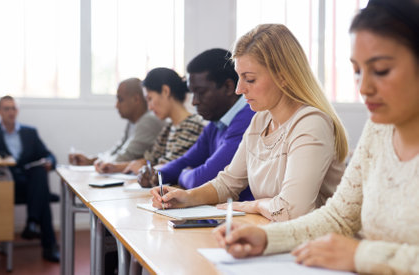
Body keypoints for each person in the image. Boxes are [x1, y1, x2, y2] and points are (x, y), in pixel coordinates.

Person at [213, 0, 419, 273]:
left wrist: (362, 255)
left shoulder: (312, 122)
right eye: (357, 71)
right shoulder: (378, 129)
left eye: (380, 70)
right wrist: (267, 238)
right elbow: (338, 217)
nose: (364, 87)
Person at [151, 25, 348, 221]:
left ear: (283, 77)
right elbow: (228, 183)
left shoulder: (311, 123)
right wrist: (186, 198)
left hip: (314, 244)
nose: (239, 89)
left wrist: (252, 205)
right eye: (239, 78)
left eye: (250, 79)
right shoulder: (260, 120)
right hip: (274, 234)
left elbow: (290, 211)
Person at [139, 48, 255, 201]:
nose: (194, 101)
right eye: (193, 93)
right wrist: (156, 173)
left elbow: (203, 178)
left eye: (200, 92)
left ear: (228, 87)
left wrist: (183, 174)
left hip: (245, 217)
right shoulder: (216, 122)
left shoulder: (248, 119)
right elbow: (186, 161)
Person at [0, 96, 60, 262]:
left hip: (29, 183)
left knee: (40, 174)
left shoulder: (30, 132)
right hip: (5, 184)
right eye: (6, 108)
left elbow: (49, 155)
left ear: (17, 111)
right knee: (43, 196)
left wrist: (49, 162)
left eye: (13, 108)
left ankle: (32, 223)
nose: (11, 112)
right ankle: (44, 239)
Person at [95, 67, 205, 175]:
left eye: (150, 99)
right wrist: (115, 167)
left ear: (165, 91)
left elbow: (169, 167)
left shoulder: (192, 125)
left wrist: (144, 168)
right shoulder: (169, 127)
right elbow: (152, 159)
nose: (150, 107)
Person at [68, 78, 166, 171]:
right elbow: (116, 151)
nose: (116, 105)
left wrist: (99, 163)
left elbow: (125, 157)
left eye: (120, 99)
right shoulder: (132, 122)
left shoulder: (149, 121)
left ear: (136, 99)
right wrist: (91, 160)